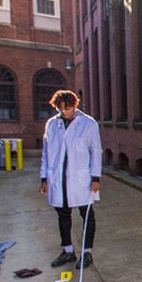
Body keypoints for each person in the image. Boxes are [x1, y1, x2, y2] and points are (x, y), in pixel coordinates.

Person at [39, 90, 101, 270]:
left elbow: (95, 152)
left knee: (87, 214)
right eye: (61, 108)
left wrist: (95, 177)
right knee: (63, 215)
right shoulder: (52, 124)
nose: (65, 112)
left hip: (82, 178)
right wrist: (44, 178)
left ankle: (86, 252)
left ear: (75, 105)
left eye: (68, 108)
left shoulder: (88, 124)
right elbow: (46, 153)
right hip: (57, 179)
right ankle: (67, 251)